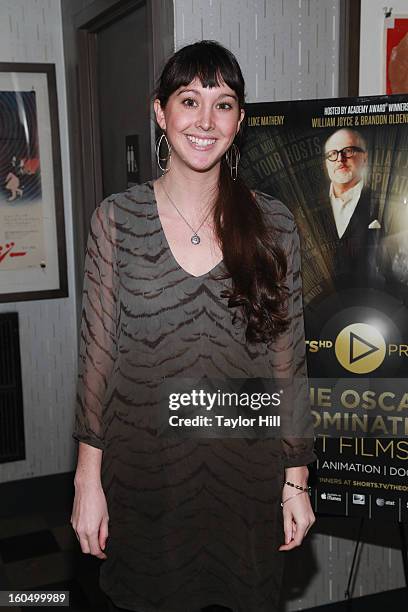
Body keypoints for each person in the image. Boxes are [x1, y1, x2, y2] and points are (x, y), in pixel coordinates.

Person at [71, 40, 316, 612]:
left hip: (244, 480)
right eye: (189, 100)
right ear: (160, 112)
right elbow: (96, 362)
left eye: (223, 104)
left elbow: (289, 361)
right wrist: (88, 481)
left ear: (240, 121)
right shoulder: (116, 221)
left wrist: (297, 478)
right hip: (146, 479)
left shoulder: (274, 224)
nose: (205, 121)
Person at [313, 128, 383, 290]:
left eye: (348, 151)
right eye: (332, 154)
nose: (340, 159)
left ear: (364, 158)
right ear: (325, 162)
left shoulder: (381, 203)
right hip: (318, 306)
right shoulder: (307, 209)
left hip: (372, 304)